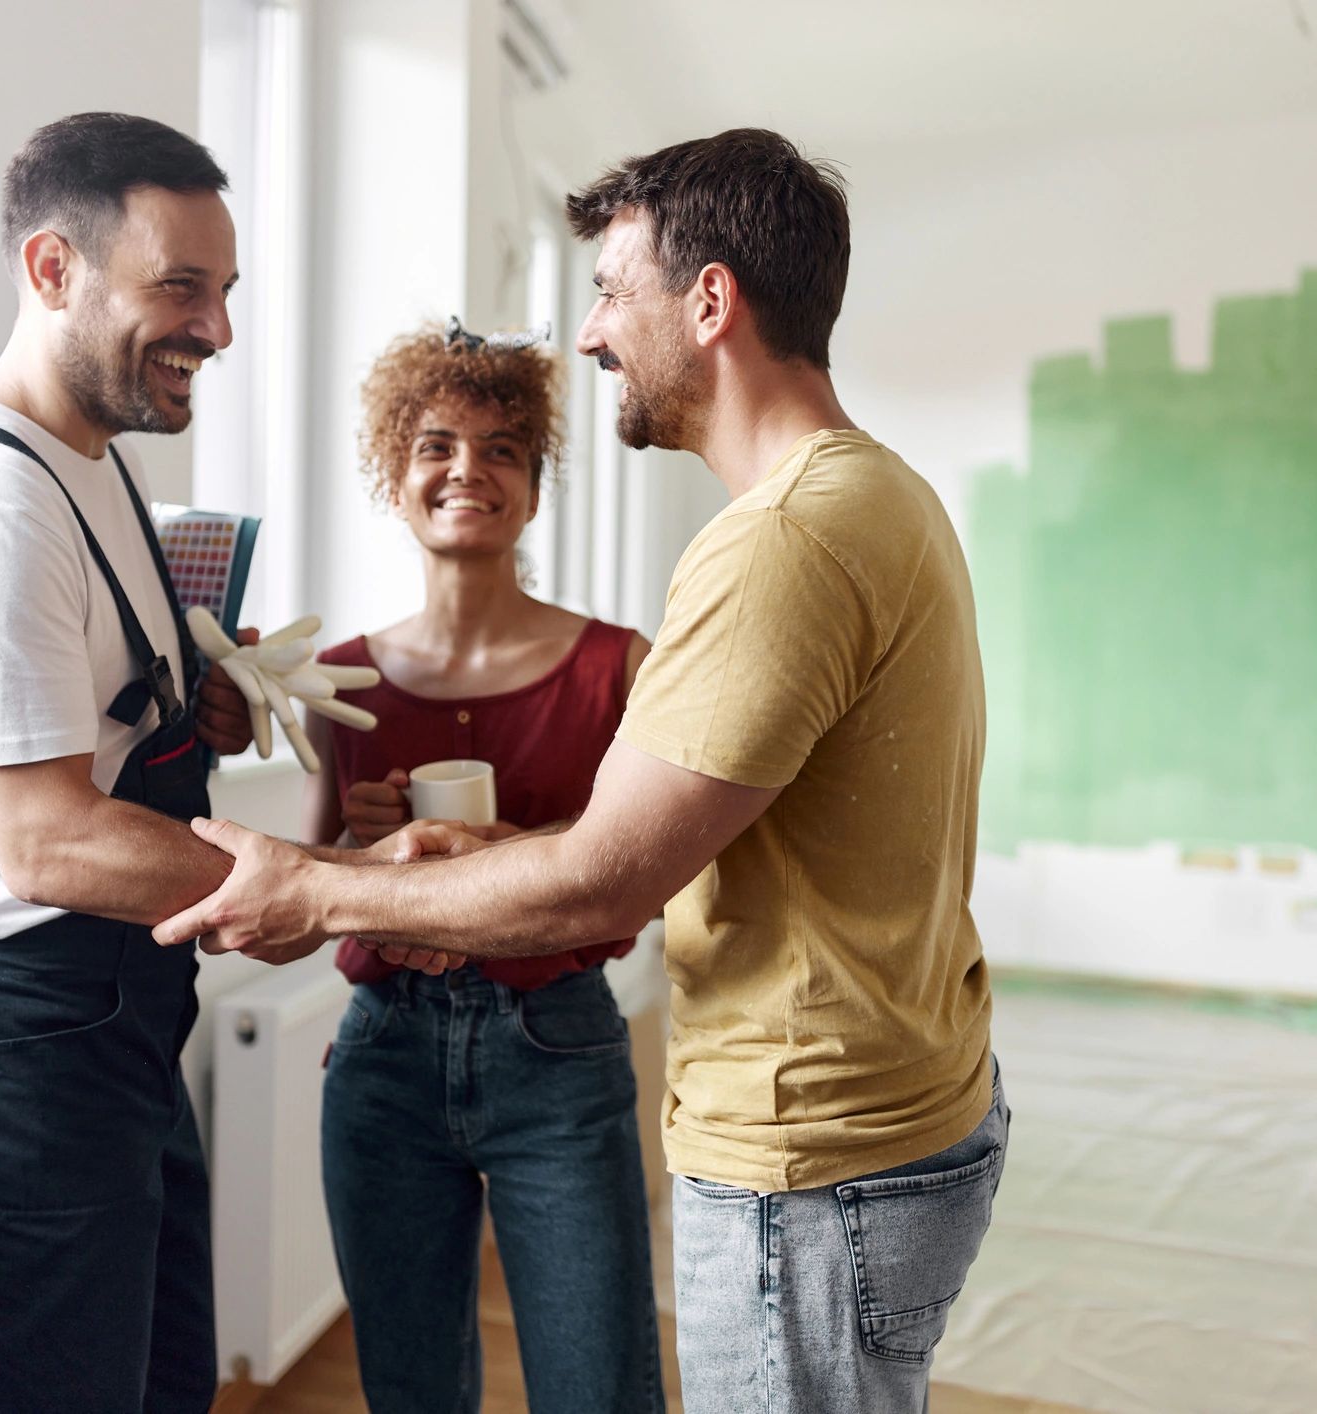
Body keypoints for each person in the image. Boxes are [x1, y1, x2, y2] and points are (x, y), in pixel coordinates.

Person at [157, 128, 1005, 1413]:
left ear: (708, 302)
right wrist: (462, 854)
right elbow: (670, 841)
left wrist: (317, 886)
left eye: (610, 289)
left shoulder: (779, 541)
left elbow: (603, 885)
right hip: (878, 1116)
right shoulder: (874, 495)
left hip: (809, 1147)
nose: (594, 331)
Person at [0, 112, 265, 1413]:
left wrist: (197, 701)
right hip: (8, 1043)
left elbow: (96, 722)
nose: (218, 329)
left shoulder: (91, 460)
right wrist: (324, 888)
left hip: (110, 1024)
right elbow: (46, 839)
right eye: (181, 287)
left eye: (226, 290)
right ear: (52, 268)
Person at [302, 320, 663, 1412]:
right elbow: (324, 876)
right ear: (395, 477)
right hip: (382, 1058)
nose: (468, 469)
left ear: (535, 489)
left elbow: (652, 875)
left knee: (599, 1388)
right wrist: (358, 843)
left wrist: (527, 855)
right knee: (409, 1390)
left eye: (502, 449)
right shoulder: (339, 679)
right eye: (436, 445)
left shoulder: (618, 666)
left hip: (558, 1049)